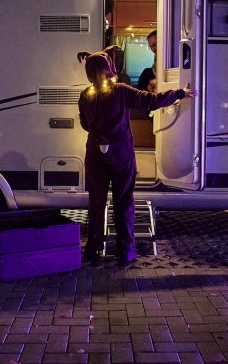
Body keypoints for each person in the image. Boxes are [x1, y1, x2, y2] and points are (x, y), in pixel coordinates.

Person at [79, 51, 197, 266]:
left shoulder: (85, 94)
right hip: (120, 153)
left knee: (96, 201)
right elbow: (150, 101)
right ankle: (126, 250)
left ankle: (93, 248)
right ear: (109, 69)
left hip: (95, 154)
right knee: (123, 200)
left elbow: (84, 124)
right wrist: (179, 93)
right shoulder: (120, 91)